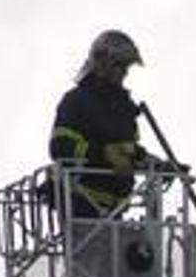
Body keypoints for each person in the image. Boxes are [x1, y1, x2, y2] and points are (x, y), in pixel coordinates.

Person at [48, 29, 153, 218]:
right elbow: (60, 146)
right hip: (80, 205)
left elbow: (129, 150)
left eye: (126, 67)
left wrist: (155, 164)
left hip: (114, 211)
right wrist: (104, 154)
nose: (124, 73)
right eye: (119, 65)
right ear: (100, 62)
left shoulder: (125, 109)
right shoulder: (76, 101)